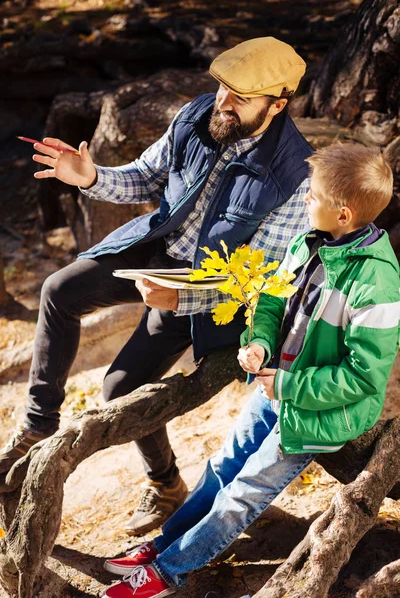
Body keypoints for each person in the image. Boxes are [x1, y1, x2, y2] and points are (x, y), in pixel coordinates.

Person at [0, 37, 313, 535]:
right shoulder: (196, 115)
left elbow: (262, 282)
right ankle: (38, 425)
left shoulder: (297, 177)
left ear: (278, 104)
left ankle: (166, 484)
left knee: (118, 388)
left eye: (241, 97)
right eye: (221, 88)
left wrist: (182, 298)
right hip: (156, 247)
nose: (223, 103)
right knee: (59, 290)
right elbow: (147, 176)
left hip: (209, 290)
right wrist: (90, 177)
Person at [100, 143, 400, 598]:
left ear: (342, 214)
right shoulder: (310, 240)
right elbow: (273, 298)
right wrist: (259, 341)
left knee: (243, 492)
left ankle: (168, 571)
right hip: (274, 385)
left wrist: (286, 383)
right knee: (221, 468)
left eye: (312, 196)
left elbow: (364, 378)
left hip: (319, 413)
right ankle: (164, 545)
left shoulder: (376, 281)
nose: (304, 200)